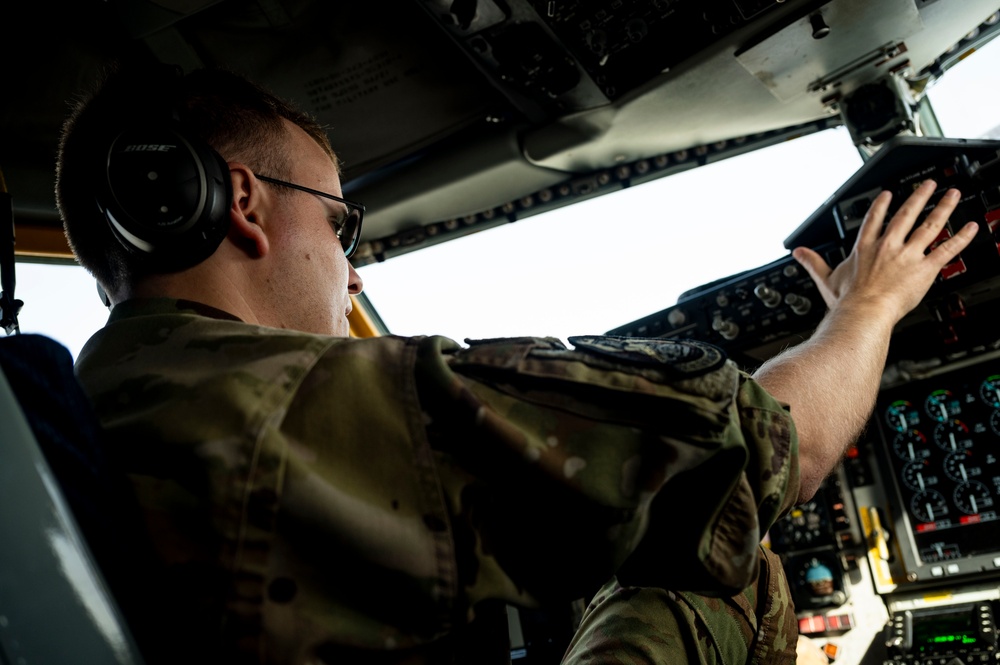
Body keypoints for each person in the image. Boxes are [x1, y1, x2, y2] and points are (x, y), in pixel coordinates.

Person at [53, 61, 977, 665]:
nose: (349, 266)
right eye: (340, 225)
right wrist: (869, 306)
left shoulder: (89, 418)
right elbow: (772, 447)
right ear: (244, 205)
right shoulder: (286, 399)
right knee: (716, 568)